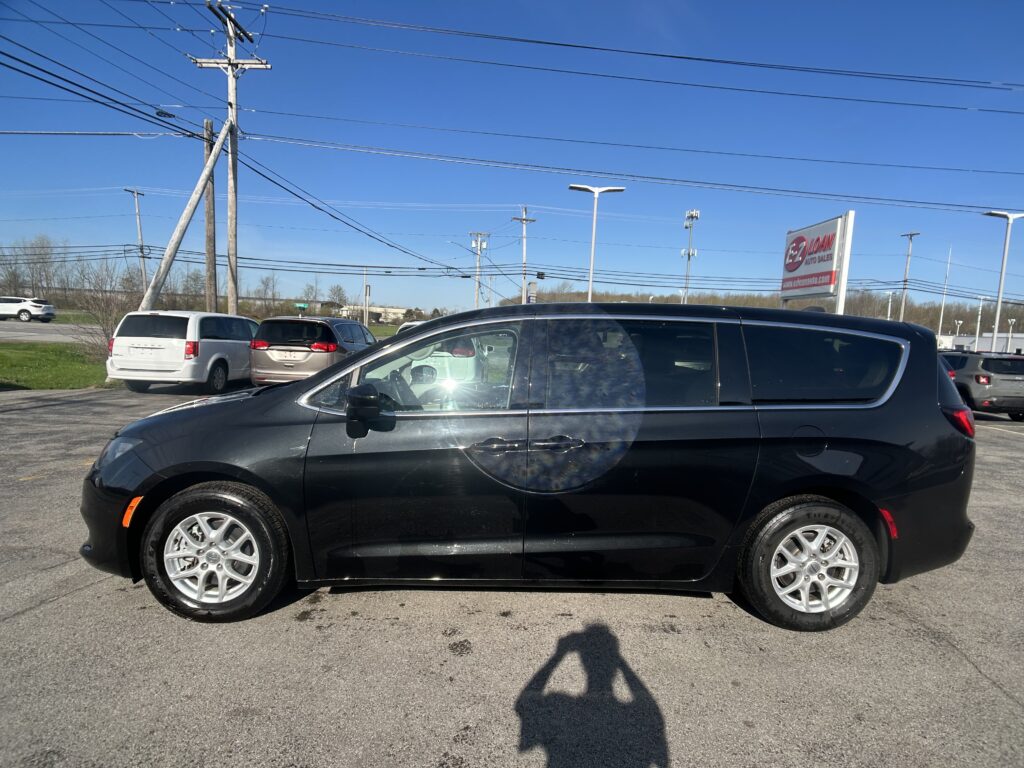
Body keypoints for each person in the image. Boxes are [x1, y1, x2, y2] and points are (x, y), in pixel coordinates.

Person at [515, 623, 669, 768]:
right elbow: (651, 710)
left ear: (582, 660)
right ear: (614, 665)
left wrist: (558, 655)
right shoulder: (636, 716)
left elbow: (525, 703)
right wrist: (621, 661)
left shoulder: (563, 709)